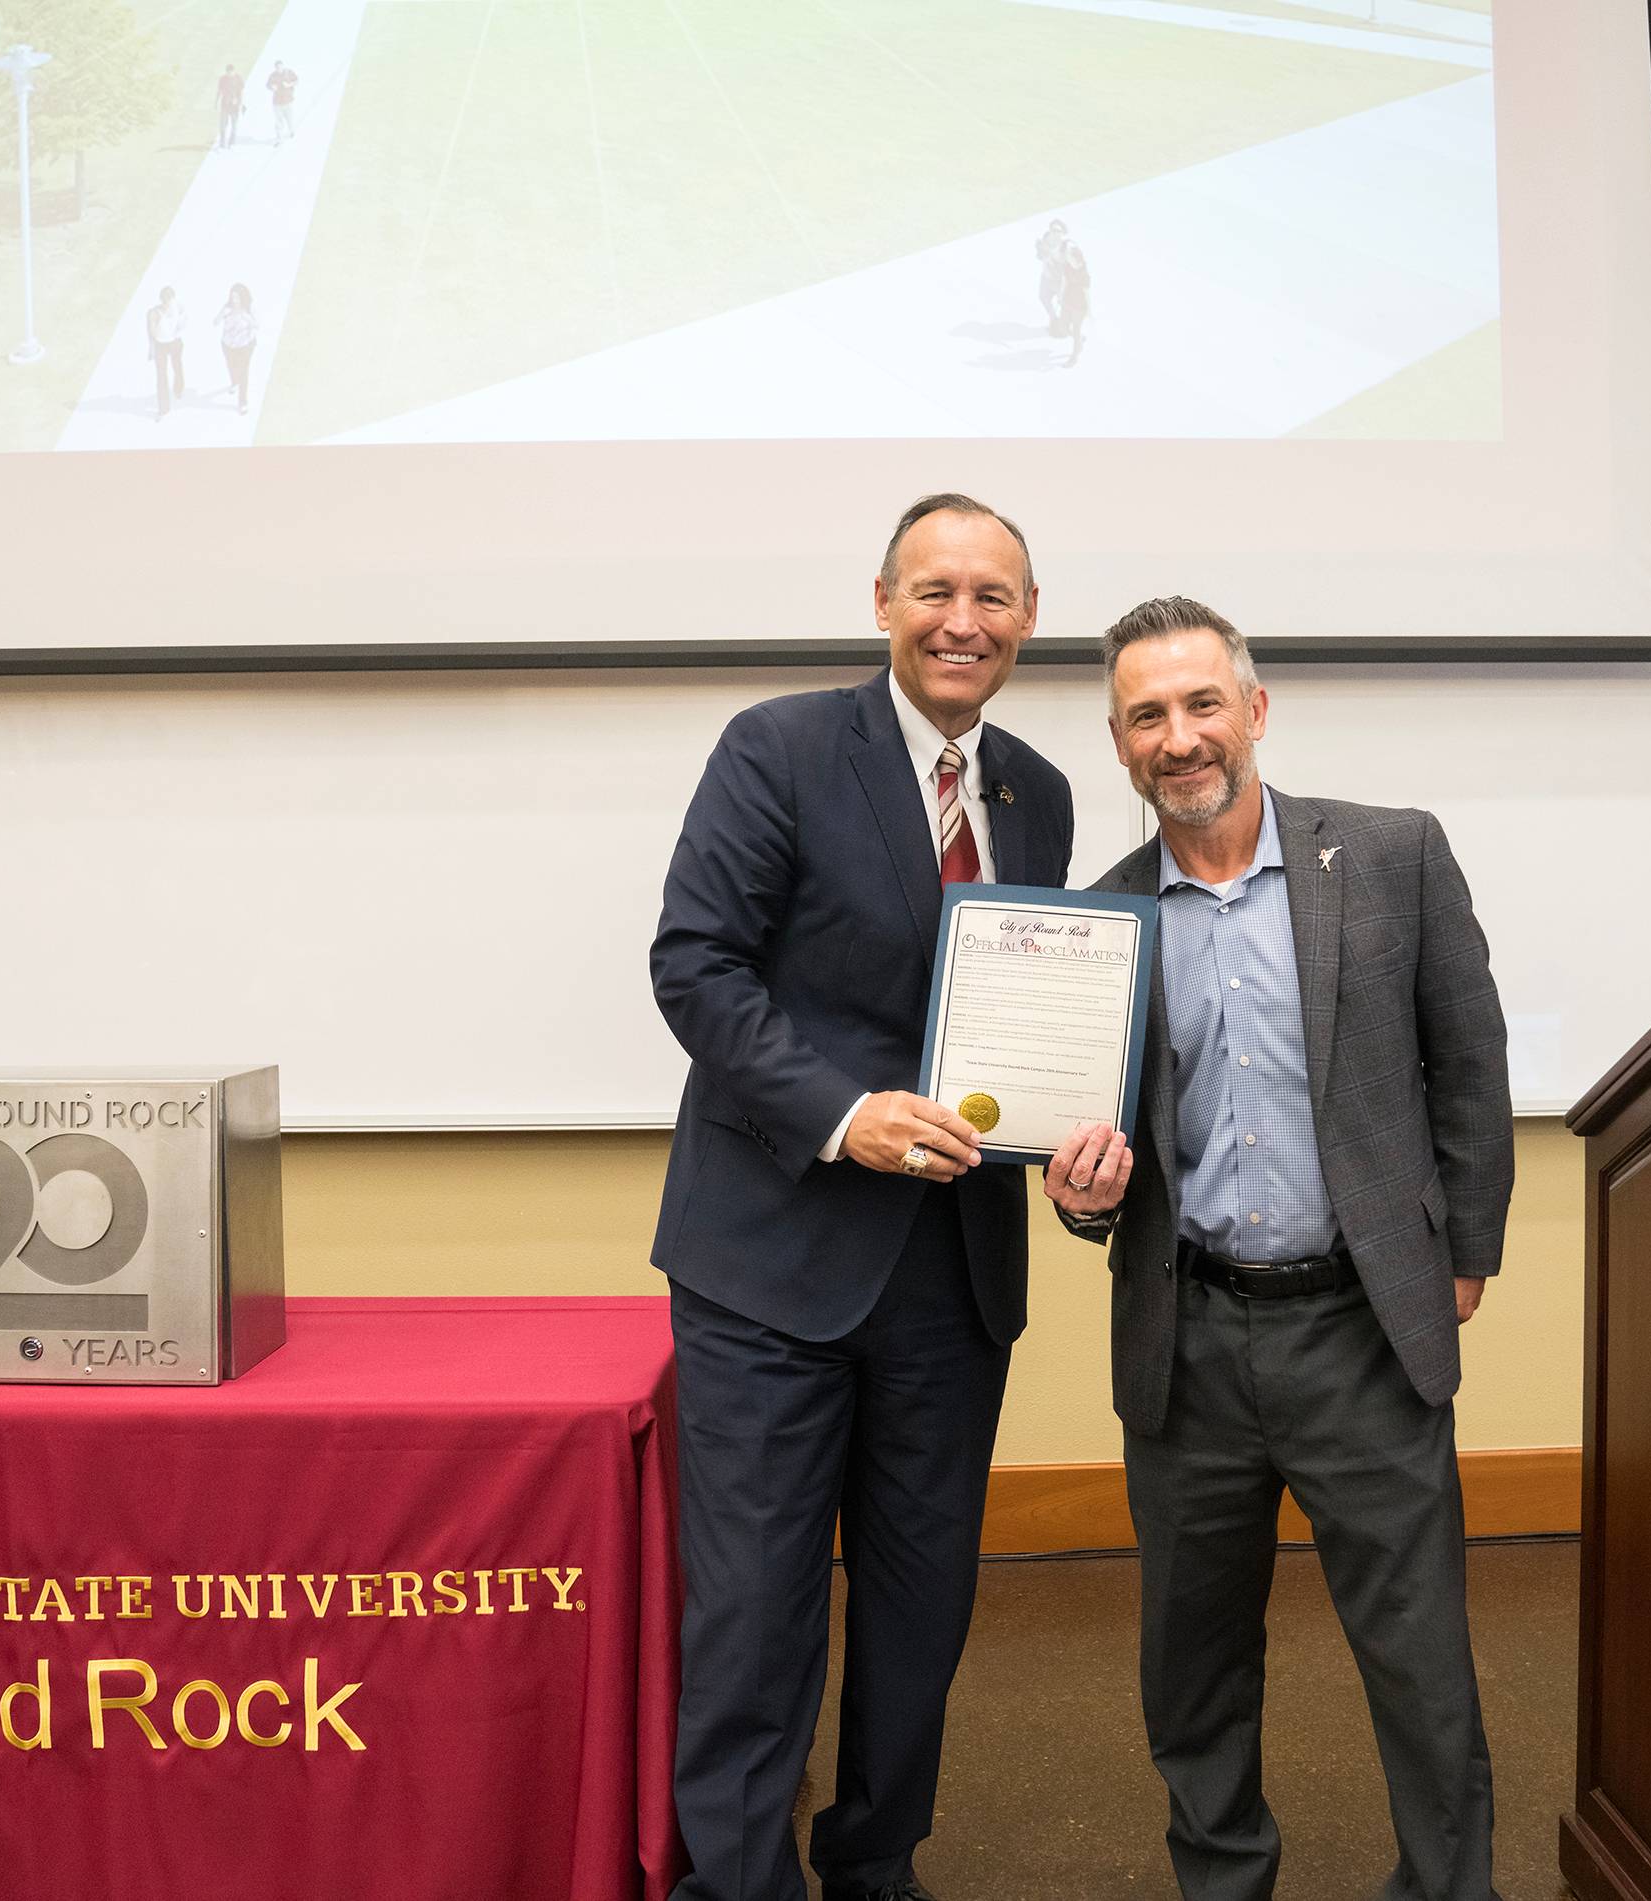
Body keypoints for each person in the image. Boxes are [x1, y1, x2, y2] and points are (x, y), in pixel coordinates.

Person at [1046, 595, 1513, 1901]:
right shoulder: (1097, 918)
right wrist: (1076, 1195)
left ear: (1252, 711)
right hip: (1185, 1339)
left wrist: (1463, 1252)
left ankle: (1446, 1887)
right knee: (1189, 1666)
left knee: (1417, 1657)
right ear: (1119, 741)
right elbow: (1087, 1162)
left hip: (1359, 1328)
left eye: (1200, 703)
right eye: (1146, 714)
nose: (1178, 735)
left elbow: (1465, 1061)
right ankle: (1222, 1882)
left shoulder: (1386, 855)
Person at [650, 494, 1076, 1901]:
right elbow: (695, 966)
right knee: (756, 1610)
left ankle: (876, 1859)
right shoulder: (775, 748)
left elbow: (1022, 1023)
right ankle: (736, 1881)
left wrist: (1078, 1135)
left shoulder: (1033, 787)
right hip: (771, 1263)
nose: (965, 621)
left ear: (1026, 617)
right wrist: (841, 1115)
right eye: (937, 591)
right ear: (882, 601)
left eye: (995, 597)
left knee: (918, 1606)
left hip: (950, 1278)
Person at [215, 284, 258, 413]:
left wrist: (246, 316)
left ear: (243, 298)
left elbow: (257, 325)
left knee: (244, 372)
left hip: (245, 345)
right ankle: (234, 382)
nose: (235, 300)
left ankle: (242, 402)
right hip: (228, 344)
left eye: (237, 298)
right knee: (232, 367)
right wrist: (222, 315)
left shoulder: (250, 308)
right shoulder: (227, 308)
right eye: (232, 297)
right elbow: (215, 322)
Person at [145, 286, 185, 418]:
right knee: (161, 375)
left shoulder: (178, 306)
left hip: (174, 343)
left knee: (177, 367)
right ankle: (163, 408)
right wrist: (152, 349)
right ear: (162, 300)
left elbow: (184, 319)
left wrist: (179, 329)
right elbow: (152, 332)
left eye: (171, 299)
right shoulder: (154, 313)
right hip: (160, 345)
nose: (169, 303)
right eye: (167, 300)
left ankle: (178, 389)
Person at [1057, 242, 1091, 369]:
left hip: (1079, 306)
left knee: (1076, 330)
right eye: (1068, 257)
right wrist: (1060, 296)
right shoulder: (1067, 266)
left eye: (1070, 257)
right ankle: (1080, 340)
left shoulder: (1084, 274)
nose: (1068, 259)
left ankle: (1074, 356)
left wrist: (1089, 311)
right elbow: (1064, 282)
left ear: (1077, 259)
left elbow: (1086, 293)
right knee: (1063, 328)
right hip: (1067, 301)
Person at [1035, 219, 1069, 329]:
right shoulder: (1046, 239)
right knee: (1043, 297)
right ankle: (1054, 319)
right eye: (1052, 229)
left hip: (1058, 280)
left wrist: (1050, 254)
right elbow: (1040, 257)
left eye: (1057, 230)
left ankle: (1069, 326)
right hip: (1046, 277)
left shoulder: (1065, 246)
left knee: (1063, 303)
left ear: (1063, 232)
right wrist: (1040, 249)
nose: (1054, 232)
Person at [268, 61, 298, 145]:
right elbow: (268, 85)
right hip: (277, 103)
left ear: (283, 66)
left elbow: (296, 81)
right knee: (278, 122)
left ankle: (291, 131)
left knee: (289, 119)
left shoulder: (289, 73)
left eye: (280, 67)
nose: (279, 69)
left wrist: (289, 85)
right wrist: (272, 87)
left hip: (288, 101)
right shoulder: (273, 76)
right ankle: (279, 138)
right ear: (275, 68)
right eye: (277, 68)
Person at [216, 64, 244, 148]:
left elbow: (241, 92)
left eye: (231, 72)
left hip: (234, 106)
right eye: (228, 73)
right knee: (223, 125)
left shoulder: (238, 78)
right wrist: (216, 102)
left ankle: (232, 143)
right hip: (225, 105)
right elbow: (220, 91)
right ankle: (222, 143)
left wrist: (240, 102)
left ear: (234, 71)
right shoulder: (222, 79)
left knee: (234, 125)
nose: (230, 74)